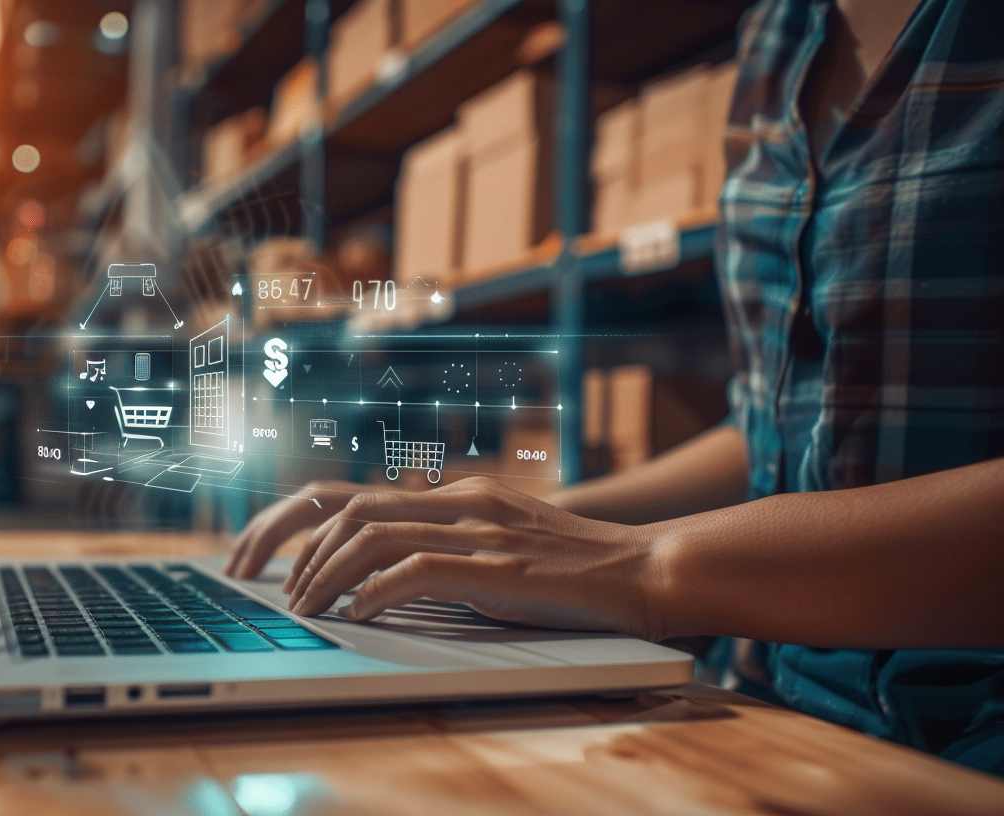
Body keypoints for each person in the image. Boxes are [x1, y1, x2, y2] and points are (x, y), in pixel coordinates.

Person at [224, 0, 1004, 773]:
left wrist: (646, 568)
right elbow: (776, 431)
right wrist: (498, 525)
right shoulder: (779, 33)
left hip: (967, 741)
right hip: (775, 708)